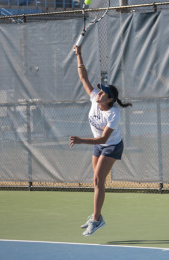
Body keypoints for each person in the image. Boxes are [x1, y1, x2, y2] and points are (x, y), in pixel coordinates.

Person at [70, 45, 132, 237]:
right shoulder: (94, 99)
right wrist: (79, 54)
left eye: (103, 93)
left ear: (110, 99)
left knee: (98, 180)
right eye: (99, 91)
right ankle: (97, 216)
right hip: (98, 145)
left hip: (111, 146)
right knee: (96, 182)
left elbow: (104, 138)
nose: (99, 93)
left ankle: (96, 221)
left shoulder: (113, 114)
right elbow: (83, 78)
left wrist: (81, 140)